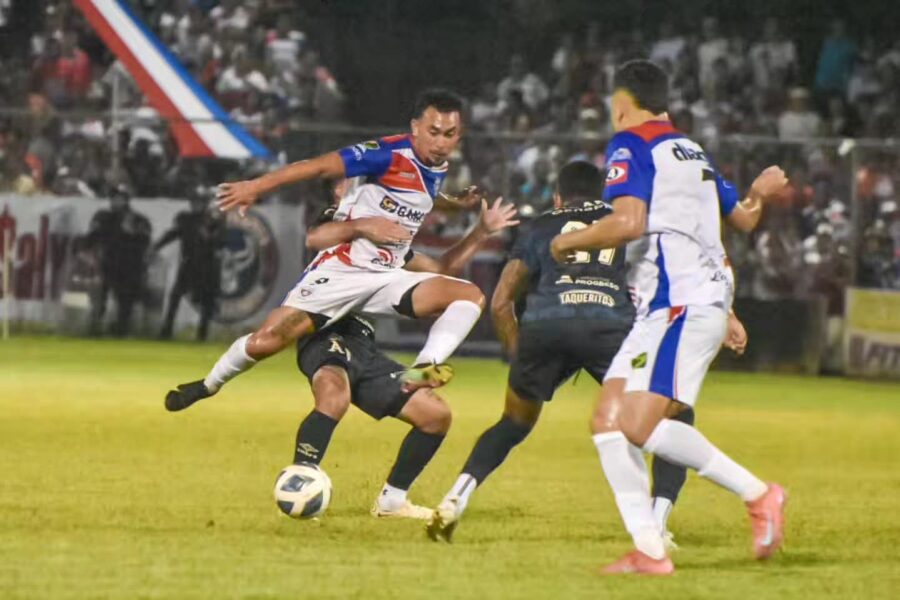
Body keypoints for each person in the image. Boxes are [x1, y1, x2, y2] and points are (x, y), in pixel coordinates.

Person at [548, 60, 789, 575]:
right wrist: (759, 193)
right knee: (607, 421)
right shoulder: (691, 150)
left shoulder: (631, 143)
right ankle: (650, 551)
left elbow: (628, 222)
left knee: (637, 424)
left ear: (622, 103)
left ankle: (758, 494)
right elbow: (743, 219)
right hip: (676, 305)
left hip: (680, 304)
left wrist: (567, 241)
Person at [164, 89, 490, 412]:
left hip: (385, 277)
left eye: (449, 134)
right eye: (434, 132)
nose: (441, 143)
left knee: (469, 296)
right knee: (267, 342)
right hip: (341, 274)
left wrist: (456, 205)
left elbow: (421, 196)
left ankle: (419, 371)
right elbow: (319, 167)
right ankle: (208, 385)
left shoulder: (435, 167)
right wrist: (255, 186)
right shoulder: (387, 154)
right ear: (415, 127)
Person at [294, 196, 518, 519]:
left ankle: (392, 501)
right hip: (323, 332)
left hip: (363, 343)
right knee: (333, 394)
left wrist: (480, 231)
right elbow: (322, 235)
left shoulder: (386, 251)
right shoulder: (338, 241)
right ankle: (299, 484)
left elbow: (441, 270)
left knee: (435, 416)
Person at [152, 186, 226, 341]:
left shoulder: (214, 220)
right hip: (189, 263)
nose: (196, 205)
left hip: (207, 266)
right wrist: (156, 246)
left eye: (200, 202)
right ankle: (167, 330)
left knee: (207, 300)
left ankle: (202, 334)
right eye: (195, 201)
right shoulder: (185, 219)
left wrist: (210, 236)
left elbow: (221, 242)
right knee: (175, 296)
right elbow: (172, 233)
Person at [86, 184, 151, 337]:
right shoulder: (103, 217)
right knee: (100, 296)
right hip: (109, 263)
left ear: (126, 200)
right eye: (114, 198)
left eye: (120, 199)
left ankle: (121, 328)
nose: (116, 202)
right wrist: (86, 248)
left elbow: (145, 241)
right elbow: (93, 237)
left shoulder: (138, 220)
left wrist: (132, 233)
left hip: (130, 265)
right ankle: (96, 325)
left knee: (125, 300)